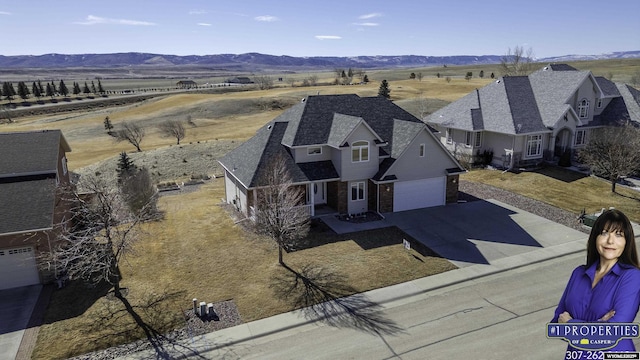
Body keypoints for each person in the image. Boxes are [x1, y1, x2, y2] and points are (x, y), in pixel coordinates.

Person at [552, 209, 640, 356]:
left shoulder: (632, 277)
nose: (610, 241)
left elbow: (612, 333)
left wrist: (570, 324)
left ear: (627, 242)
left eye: (618, 235)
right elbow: (556, 324)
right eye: (604, 233)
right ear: (595, 238)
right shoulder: (578, 273)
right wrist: (599, 325)